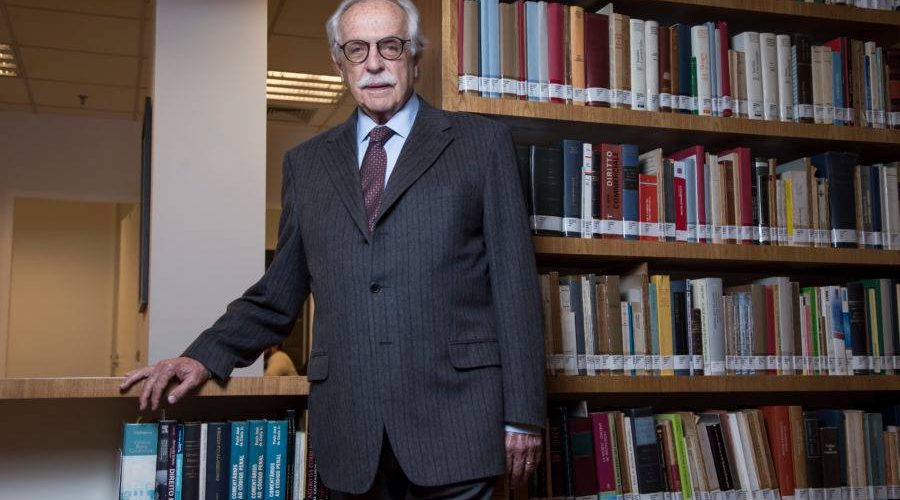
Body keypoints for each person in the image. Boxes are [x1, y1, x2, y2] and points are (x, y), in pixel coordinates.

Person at [119, 0, 546, 497]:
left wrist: (524, 416)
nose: (374, 63)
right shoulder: (306, 166)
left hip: (458, 425)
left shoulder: (481, 144)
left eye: (390, 46)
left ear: (415, 55)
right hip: (351, 434)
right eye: (356, 49)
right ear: (339, 62)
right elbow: (278, 293)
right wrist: (202, 357)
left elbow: (516, 290)